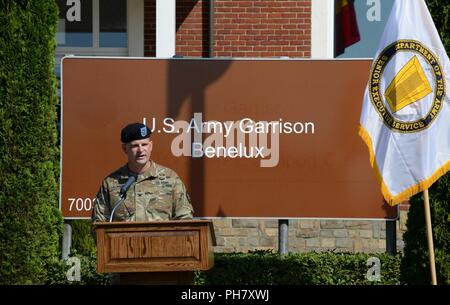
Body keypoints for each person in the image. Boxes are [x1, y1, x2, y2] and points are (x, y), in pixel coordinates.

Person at [91, 122, 194, 223]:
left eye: (144, 144)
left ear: (151, 146)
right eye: (135, 146)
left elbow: (185, 219)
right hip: (123, 241)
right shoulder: (111, 183)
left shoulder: (171, 179)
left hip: (162, 240)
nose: (140, 150)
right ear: (125, 149)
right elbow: (98, 224)